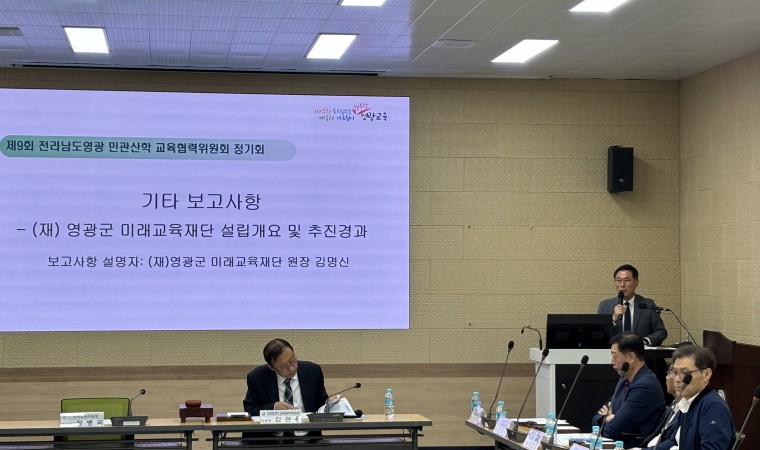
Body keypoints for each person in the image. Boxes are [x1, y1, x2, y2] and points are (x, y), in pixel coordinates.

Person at [633, 345, 735, 450]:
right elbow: (674, 441)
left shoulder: (713, 408)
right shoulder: (688, 402)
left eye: (685, 373)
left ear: (706, 374)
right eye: (675, 372)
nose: (677, 379)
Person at [243, 338, 329, 439]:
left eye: (292, 361)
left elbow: (322, 403)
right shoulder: (257, 377)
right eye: (283, 366)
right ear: (271, 367)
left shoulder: (313, 371)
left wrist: (330, 403)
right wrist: (273, 408)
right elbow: (249, 411)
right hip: (272, 440)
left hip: (308, 438)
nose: (291, 368)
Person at [592, 332, 665, 448]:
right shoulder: (625, 379)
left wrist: (610, 418)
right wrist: (607, 418)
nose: (611, 361)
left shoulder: (645, 386)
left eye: (615, 356)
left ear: (631, 358)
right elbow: (596, 419)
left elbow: (612, 431)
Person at [597, 264, 668, 346]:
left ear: (636, 282)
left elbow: (661, 331)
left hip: (640, 352)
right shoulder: (605, 305)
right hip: (614, 352)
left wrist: (644, 341)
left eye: (627, 280)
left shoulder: (647, 304)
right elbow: (598, 334)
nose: (622, 285)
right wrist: (613, 319)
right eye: (618, 280)